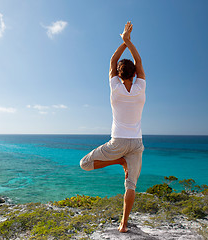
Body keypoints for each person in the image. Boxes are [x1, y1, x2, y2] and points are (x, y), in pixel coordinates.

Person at [80, 21, 146, 233]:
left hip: (117, 142)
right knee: (131, 186)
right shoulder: (140, 87)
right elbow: (139, 61)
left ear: (118, 74)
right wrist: (129, 41)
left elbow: (112, 61)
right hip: (136, 144)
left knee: (85, 164)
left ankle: (119, 161)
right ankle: (124, 224)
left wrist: (123, 42)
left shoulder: (114, 87)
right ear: (135, 74)